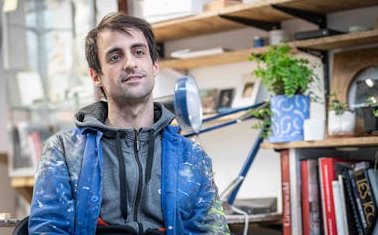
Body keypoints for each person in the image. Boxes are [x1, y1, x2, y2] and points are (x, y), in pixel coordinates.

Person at [29, 12, 230, 235]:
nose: (130, 63)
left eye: (139, 52)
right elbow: (48, 229)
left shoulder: (192, 157)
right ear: (96, 76)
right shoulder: (64, 151)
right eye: (115, 57)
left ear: (154, 66)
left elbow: (212, 231)